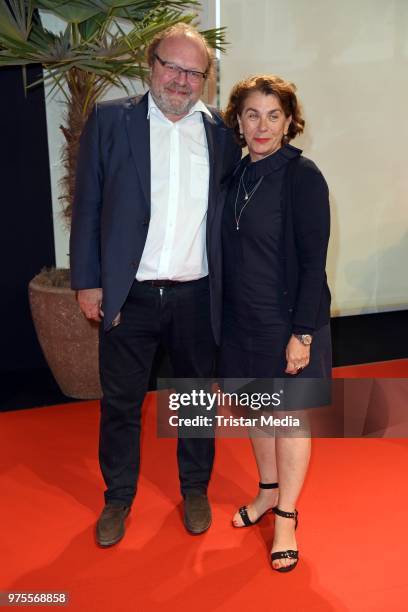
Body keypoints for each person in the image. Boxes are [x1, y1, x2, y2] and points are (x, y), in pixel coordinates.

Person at [70, 23, 240, 547]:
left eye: (195, 72)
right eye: (173, 66)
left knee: (193, 400)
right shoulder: (110, 120)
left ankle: (194, 490)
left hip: (195, 294)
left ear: (206, 80)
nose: (182, 80)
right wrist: (89, 282)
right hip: (131, 295)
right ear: (151, 65)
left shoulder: (221, 133)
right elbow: (89, 204)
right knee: (120, 403)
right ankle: (117, 498)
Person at [218, 75, 331, 571]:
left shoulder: (303, 176)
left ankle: (286, 514)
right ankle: (266, 493)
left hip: (285, 323)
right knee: (254, 412)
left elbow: (313, 263)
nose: (261, 126)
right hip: (239, 321)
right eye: (251, 115)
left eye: (273, 116)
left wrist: (302, 334)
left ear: (288, 122)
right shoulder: (235, 175)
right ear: (238, 122)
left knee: (286, 419)